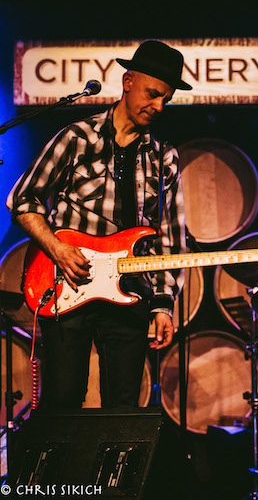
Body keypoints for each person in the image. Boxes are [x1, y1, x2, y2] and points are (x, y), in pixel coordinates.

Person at [7, 40, 191, 409]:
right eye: (153, 94)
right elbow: (22, 200)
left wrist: (163, 305)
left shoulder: (164, 157)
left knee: (123, 406)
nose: (158, 106)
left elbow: (171, 239)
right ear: (128, 81)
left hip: (130, 292)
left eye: (166, 99)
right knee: (63, 400)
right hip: (68, 284)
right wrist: (57, 249)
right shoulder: (77, 138)